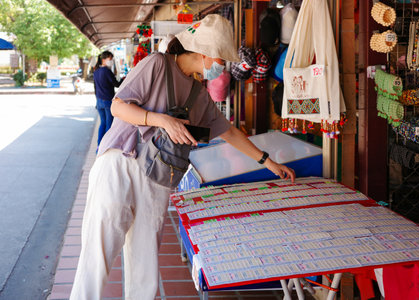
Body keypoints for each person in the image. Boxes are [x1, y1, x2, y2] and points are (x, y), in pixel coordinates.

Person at [70, 14, 295, 300]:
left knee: (145, 263)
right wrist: (161, 120)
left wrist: (268, 161)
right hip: (121, 161)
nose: (222, 67)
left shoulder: (199, 94)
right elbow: (117, 107)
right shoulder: (156, 64)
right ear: (204, 53)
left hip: (158, 177)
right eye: (220, 60)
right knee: (97, 252)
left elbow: (230, 133)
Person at [93, 51, 122, 147]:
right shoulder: (106, 71)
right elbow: (117, 84)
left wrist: (97, 101)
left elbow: (95, 88)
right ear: (104, 59)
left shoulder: (96, 71)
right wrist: (125, 78)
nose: (112, 61)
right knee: (109, 125)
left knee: (103, 124)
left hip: (99, 101)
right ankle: (106, 146)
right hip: (108, 101)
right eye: (110, 59)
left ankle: (99, 146)